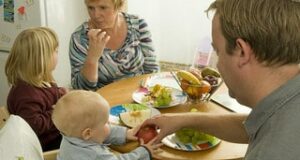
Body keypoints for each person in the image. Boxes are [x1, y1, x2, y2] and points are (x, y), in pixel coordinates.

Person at [142, 0, 300, 159]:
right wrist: (184, 120)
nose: (218, 64)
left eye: (218, 51)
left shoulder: (271, 152)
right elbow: (251, 126)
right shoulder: (287, 102)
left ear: (242, 52)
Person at [69, 0, 160, 91]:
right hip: (103, 102)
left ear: (118, 5)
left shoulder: (138, 25)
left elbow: (152, 70)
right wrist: (92, 58)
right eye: (91, 8)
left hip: (140, 96)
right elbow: (81, 90)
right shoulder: (80, 38)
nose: (96, 15)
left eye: (103, 8)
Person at [5, 27, 67, 151]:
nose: (57, 54)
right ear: (41, 59)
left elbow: (48, 96)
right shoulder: (25, 94)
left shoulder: (40, 82)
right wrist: (57, 112)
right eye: (55, 51)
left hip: (56, 137)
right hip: (46, 147)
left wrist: (61, 93)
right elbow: (34, 125)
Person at [52, 90, 162, 160]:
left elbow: (99, 134)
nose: (109, 124)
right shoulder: (96, 155)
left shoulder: (70, 137)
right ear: (88, 133)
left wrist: (125, 134)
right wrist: (144, 152)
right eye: (105, 122)